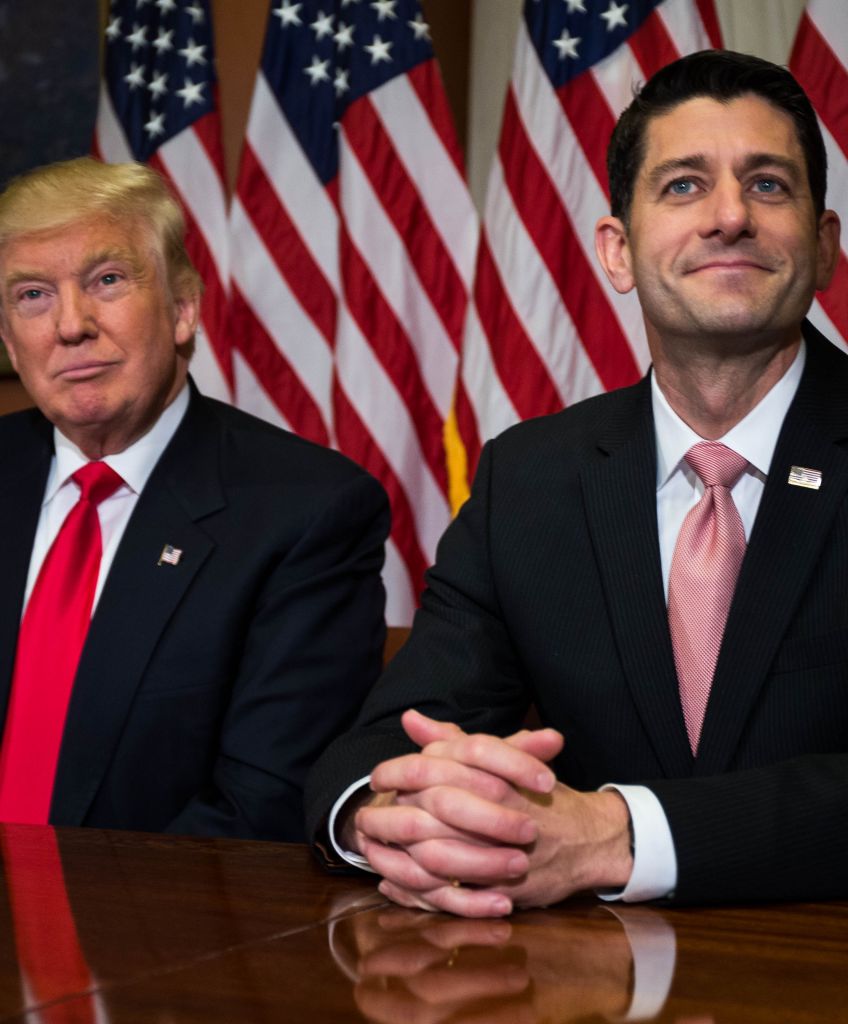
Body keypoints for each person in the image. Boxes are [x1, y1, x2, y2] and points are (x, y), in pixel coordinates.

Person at [305, 49, 848, 914]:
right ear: (618, 251)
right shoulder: (531, 478)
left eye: (770, 185)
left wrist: (619, 835)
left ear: (823, 249)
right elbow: (385, 738)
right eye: (682, 186)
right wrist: (393, 816)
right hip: (588, 986)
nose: (730, 217)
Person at [0, 157, 389, 840]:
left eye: (107, 280)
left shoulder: (306, 512)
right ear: (8, 337)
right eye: (32, 295)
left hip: (146, 931)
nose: (70, 325)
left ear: (183, 310)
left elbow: (257, 812)